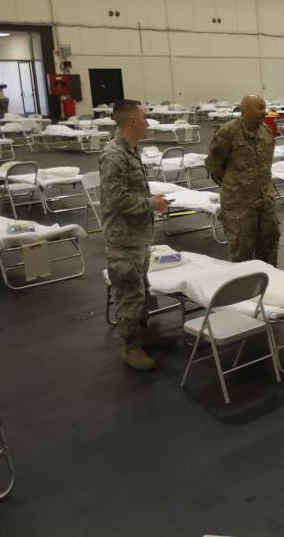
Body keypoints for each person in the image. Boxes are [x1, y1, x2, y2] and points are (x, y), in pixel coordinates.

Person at [101, 100, 170, 371]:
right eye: (143, 117)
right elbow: (117, 200)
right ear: (131, 121)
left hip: (137, 236)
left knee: (141, 290)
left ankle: (143, 335)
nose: (147, 122)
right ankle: (131, 348)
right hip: (123, 238)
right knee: (129, 293)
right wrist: (153, 204)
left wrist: (150, 200)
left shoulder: (129, 151)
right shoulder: (114, 155)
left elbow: (129, 192)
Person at [205, 94, 281, 265]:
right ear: (245, 109)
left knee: (270, 249)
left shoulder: (266, 132)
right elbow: (214, 165)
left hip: (265, 203)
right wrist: (234, 187)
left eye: (265, 107)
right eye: (260, 108)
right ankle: (246, 290)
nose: (265, 112)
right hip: (239, 207)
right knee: (242, 253)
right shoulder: (227, 133)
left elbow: (266, 165)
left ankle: (271, 288)